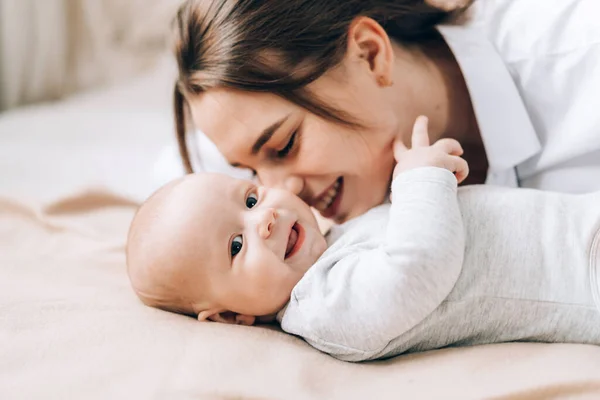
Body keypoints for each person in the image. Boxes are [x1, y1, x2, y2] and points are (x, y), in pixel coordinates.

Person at [128, 117, 600, 362]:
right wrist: (419, 179)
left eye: (250, 200)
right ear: (232, 316)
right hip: (584, 274)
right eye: (236, 245)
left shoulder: (334, 244)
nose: (265, 221)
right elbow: (418, 267)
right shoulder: (324, 309)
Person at [167, 0, 600, 225]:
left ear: (370, 54)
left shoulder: (579, 60)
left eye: (284, 146)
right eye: (250, 175)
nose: (280, 195)